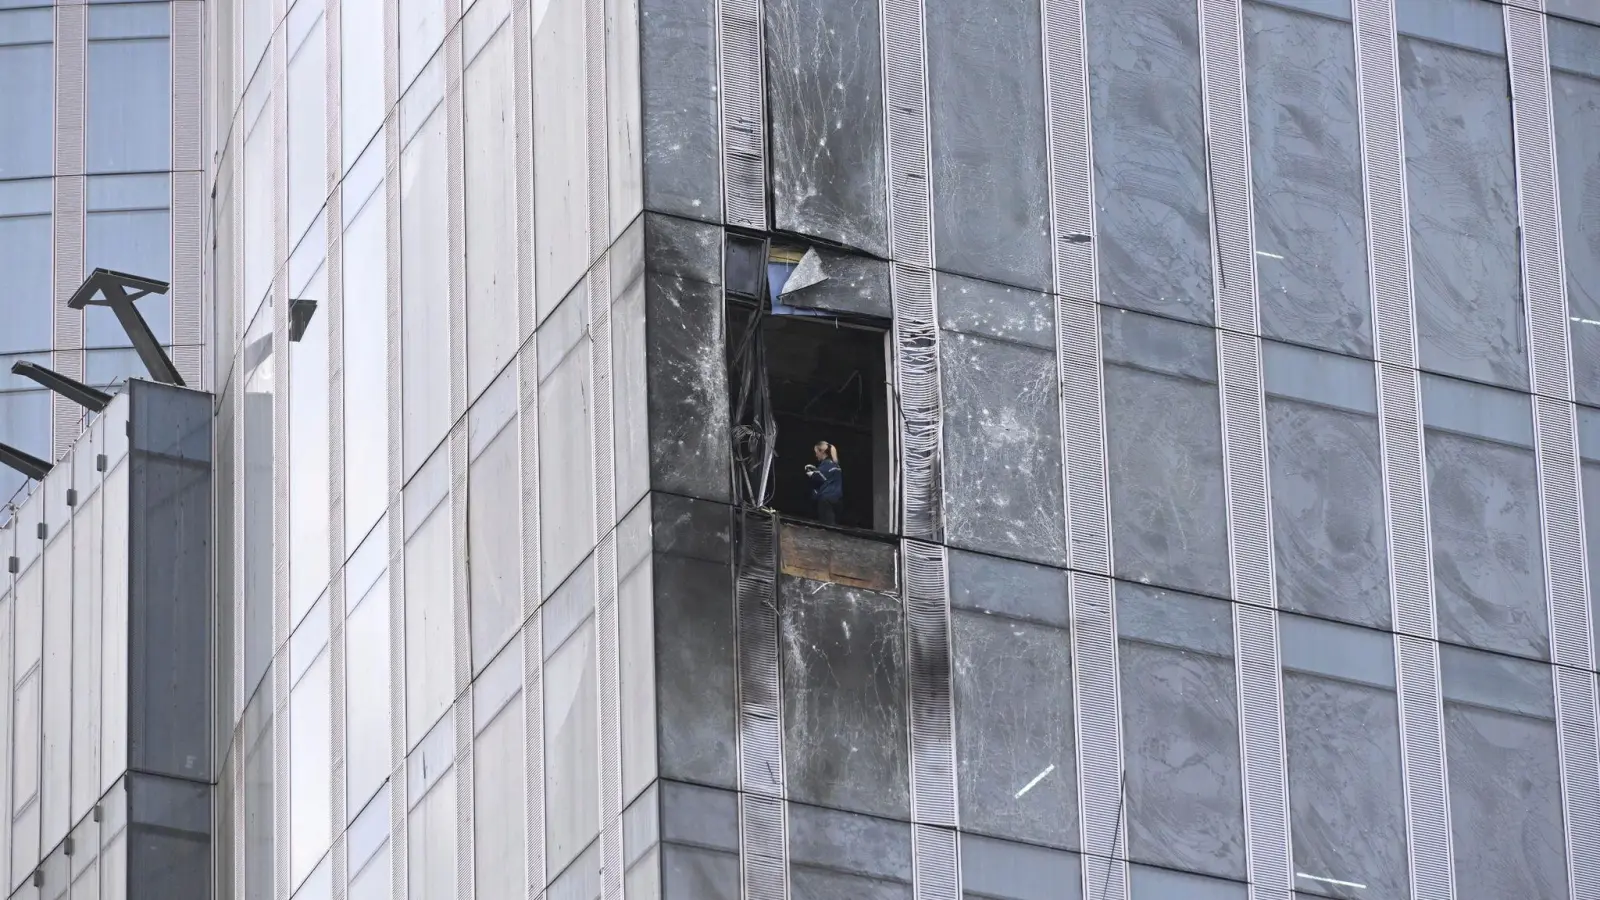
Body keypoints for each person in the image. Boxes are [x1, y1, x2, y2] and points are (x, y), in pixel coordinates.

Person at [805, 441, 844, 525]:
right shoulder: (835, 465)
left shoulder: (825, 465)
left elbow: (819, 477)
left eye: (816, 453)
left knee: (827, 528)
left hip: (826, 500)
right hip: (837, 500)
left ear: (821, 452)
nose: (816, 455)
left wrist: (811, 473)